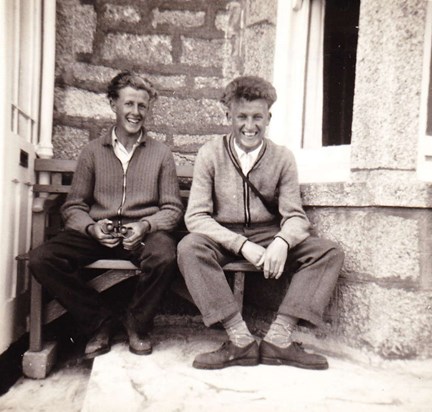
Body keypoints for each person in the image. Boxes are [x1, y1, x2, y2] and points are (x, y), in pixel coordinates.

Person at [177, 76, 344, 370]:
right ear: (228, 115)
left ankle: (279, 340)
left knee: (329, 252)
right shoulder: (210, 153)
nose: (250, 126)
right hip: (224, 237)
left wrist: (282, 241)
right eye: (241, 116)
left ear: (269, 117)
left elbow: (295, 216)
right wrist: (241, 245)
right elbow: (196, 217)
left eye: (258, 117)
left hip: (268, 236)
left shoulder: (282, 157)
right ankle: (240, 340)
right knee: (189, 247)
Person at [29, 71, 183, 358]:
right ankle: (99, 321)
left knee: (164, 256)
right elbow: (73, 206)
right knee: (42, 259)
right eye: (128, 104)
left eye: (142, 106)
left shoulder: (161, 154)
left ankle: (137, 324)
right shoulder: (92, 152)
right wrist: (91, 229)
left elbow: (172, 209)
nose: (135, 112)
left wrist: (145, 225)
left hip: (143, 236)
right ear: (113, 103)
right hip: (100, 233)